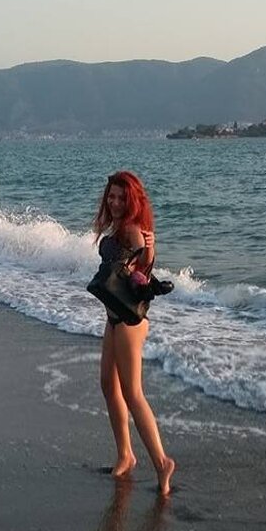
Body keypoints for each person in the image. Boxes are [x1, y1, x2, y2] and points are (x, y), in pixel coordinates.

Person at [93, 171, 176, 496]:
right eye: (111, 196)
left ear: (132, 201)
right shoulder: (119, 228)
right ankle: (125, 455)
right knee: (108, 384)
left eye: (121, 197)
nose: (114, 202)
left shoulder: (131, 231)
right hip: (113, 318)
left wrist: (147, 254)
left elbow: (144, 274)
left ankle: (162, 462)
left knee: (132, 393)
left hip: (129, 323)